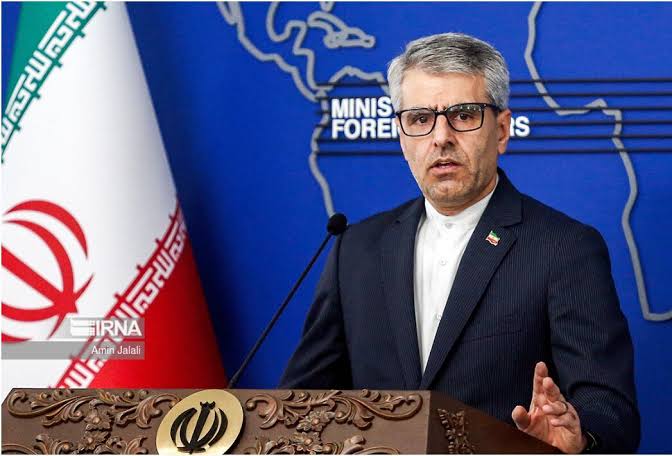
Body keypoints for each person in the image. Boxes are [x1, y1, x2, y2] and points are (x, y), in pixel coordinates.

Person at [279, 33, 639, 453]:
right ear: (402, 137)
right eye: (420, 119)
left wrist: (576, 440)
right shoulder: (356, 249)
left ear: (501, 130)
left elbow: (610, 408)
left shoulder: (564, 248)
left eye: (463, 115)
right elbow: (300, 403)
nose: (441, 137)